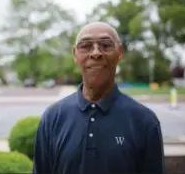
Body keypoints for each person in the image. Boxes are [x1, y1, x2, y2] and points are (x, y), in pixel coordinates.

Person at [33, 22, 165, 174]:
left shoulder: (145, 121)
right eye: (86, 46)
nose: (96, 53)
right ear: (75, 54)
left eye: (106, 45)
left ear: (120, 53)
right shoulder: (52, 118)